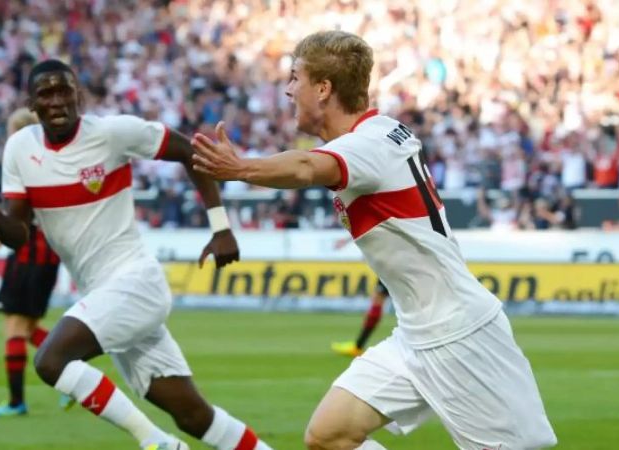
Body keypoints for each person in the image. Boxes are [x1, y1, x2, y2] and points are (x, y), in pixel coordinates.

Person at [191, 31, 556, 450]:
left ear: (324, 89)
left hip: (460, 335)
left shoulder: (366, 145)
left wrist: (242, 169)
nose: (289, 90)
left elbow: (309, 167)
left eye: (296, 78)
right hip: (415, 333)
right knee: (329, 436)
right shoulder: (382, 134)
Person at [0, 59, 271, 450]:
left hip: (135, 281)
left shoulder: (112, 133)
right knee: (194, 416)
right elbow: (19, 236)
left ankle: (157, 443)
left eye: (65, 91)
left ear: (78, 96)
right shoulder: (20, 150)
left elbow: (190, 150)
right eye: (47, 93)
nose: (58, 101)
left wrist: (221, 226)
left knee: (50, 361)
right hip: (102, 294)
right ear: (32, 104)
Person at [0, 108, 67, 417]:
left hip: (28, 255)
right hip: (49, 257)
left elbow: (14, 219)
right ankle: (75, 373)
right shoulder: (52, 162)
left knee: (14, 326)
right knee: (28, 328)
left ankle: (17, 402)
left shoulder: (23, 164)